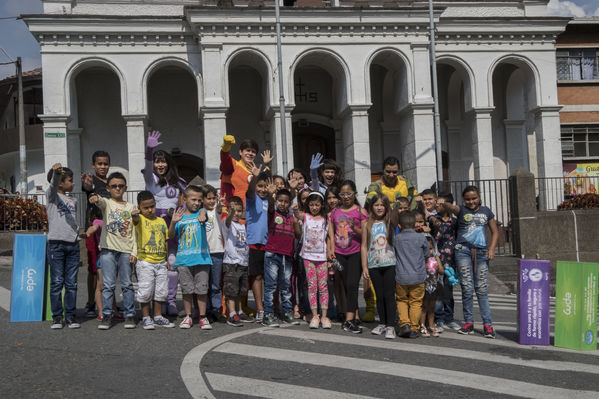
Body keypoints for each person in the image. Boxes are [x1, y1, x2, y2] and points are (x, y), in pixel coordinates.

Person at [442, 185, 499, 338]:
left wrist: (492, 249)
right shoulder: (461, 210)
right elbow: (451, 207)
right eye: (468, 199)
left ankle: (488, 325)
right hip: (463, 251)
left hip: (482, 253)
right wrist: (444, 203)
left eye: (474, 198)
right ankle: (469, 323)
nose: (471, 201)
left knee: (481, 288)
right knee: (466, 287)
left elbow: (495, 231)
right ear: (463, 200)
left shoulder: (486, 211)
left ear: (479, 197)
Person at [144, 131, 187, 316]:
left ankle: (170, 301)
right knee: (156, 264)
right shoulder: (151, 181)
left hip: (174, 226)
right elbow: (146, 167)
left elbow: (190, 199)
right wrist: (148, 150)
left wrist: (180, 211)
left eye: (163, 161)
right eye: (156, 161)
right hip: (154, 227)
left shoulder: (179, 182)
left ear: (168, 164)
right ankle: (157, 302)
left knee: (173, 264)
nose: (160, 165)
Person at [89, 172, 137, 330]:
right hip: (108, 250)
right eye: (114, 186)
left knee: (127, 284)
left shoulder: (131, 207)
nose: (117, 188)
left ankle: (129, 315)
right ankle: (107, 315)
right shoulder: (107, 203)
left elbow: (134, 233)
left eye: (121, 186)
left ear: (125, 188)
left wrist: (134, 252)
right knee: (108, 285)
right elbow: (99, 201)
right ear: (108, 188)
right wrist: (95, 197)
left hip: (125, 251)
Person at [168, 185, 213, 330]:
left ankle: (202, 316)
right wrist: (173, 222)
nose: (196, 203)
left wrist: (201, 213)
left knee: (201, 289)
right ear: (184, 199)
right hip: (183, 260)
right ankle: (188, 316)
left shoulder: (202, 211)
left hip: (202, 259)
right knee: (187, 290)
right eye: (193, 199)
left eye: (199, 200)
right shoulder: (179, 217)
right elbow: (170, 235)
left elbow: (204, 214)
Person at [328, 180, 368, 334]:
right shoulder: (334, 212)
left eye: (349, 194)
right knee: (345, 286)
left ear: (355, 194)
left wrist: (354, 228)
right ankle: (352, 315)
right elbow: (331, 235)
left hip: (355, 253)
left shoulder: (361, 212)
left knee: (352, 285)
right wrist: (331, 252)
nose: (346, 197)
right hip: (339, 254)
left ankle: (349, 320)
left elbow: (365, 236)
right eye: (342, 194)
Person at [132, 191, 175, 330]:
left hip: (161, 261)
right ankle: (146, 317)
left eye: (152, 206)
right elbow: (135, 220)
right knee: (145, 290)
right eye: (146, 207)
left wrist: (167, 259)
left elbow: (166, 240)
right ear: (139, 207)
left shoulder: (161, 221)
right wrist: (134, 215)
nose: (150, 210)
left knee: (161, 291)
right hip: (145, 261)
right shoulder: (140, 219)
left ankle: (157, 316)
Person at [47, 163, 82, 329]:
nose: (73, 183)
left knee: (71, 283)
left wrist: (78, 233)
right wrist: (56, 173)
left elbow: (73, 221)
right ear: (61, 182)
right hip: (56, 245)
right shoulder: (52, 196)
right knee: (56, 282)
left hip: (73, 245)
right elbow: (53, 185)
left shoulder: (72, 200)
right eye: (70, 180)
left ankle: (70, 316)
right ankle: (57, 317)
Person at [361, 193, 398, 339]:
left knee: (389, 295)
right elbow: (364, 246)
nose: (379, 208)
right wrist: (364, 266)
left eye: (382, 205)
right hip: (373, 264)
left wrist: (392, 207)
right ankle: (382, 322)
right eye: (376, 205)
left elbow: (395, 216)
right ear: (371, 207)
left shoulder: (389, 221)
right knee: (380, 296)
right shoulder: (366, 224)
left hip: (390, 263)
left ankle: (390, 325)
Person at [294, 191, 331, 329]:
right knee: (312, 286)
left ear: (322, 205)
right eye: (311, 205)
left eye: (317, 204)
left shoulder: (326, 219)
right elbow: (297, 214)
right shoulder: (306, 217)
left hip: (322, 258)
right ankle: (315, 316)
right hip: (308, 257)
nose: (314, 207)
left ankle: (324, 316)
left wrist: (330, 257)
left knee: (323, 287)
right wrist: (296, 209)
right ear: (307, 205)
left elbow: (330, 239)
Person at [262, 188, 299, 327]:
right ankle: (268, 314)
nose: (283, 204)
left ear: (290, 203)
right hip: (272, 254)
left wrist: (296, 223)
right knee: (271, 285)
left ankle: (287, 312)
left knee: (286, 286)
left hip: (287, 255)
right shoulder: (272, 213)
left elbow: (299, 235)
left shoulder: (291, 218)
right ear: (277, 201)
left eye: (286, 202)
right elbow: (270, 205)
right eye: (280, 201)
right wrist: (271, 196)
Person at [81, 150, 111, 317]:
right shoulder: (91, 182)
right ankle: (91, 303)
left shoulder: (112, 182)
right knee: (93, 267)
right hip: (93, 230)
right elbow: (87, 188)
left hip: (110, 230)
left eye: (105, 163)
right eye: (99, 163)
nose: (102, 166)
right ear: (93, 165)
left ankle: (109, 304)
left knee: (109, 268)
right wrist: (87, 185)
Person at [245, 170, 275, 323]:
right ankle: (260, 309)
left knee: (269, 278)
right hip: (254, 243)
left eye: (266, 187)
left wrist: (271, 194)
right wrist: (255, 177)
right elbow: (250, 191)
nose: (263, 189)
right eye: (260, 186)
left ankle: (270, 307)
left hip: (269, 244)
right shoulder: (252, 198)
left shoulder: (269, 200)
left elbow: (271, 210)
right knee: (257, 276)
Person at [394, 211, 429, 338]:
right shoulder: (421, 238)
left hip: (401, 276)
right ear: (415, 224)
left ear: (399, 226)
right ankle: (414, 328)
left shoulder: (396, 239)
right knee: (416, 302)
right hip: (418, 276)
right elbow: (426, 254)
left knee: (402, 300)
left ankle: (404, 324)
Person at [430, 192, 460, 331]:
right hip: (437, 262)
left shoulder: (454, 222)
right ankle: (439, 319)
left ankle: (449, 318)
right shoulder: (433, 219)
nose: (437, 205)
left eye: (441, 203)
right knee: (438, 291)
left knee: (448, 291)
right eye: (437, 203)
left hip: (451, 263)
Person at [221, 196, 251, 327]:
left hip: (243, 262)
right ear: (227, 210)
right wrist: (230, 214)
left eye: (239, 211)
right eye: (233, 211)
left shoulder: (242, 225)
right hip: (231, 262)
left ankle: (239, 311)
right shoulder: (227, 223)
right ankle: (232, 314)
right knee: (231, 291)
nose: (236, 213)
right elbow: (227, 221)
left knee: (240, 290)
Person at [219, 134, 273, 205]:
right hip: (231, 212)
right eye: (248, 150)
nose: (250, 153)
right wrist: (225, 148)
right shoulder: (233, 165)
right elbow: (225, 160)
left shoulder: (255, 172)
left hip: (250, 213)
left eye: (253, 152)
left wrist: (267, 165)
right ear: (240, 152)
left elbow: (269, 184)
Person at [203, 185, 227, 323]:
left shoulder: (216, 211)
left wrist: (220, 204)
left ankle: (217, 309)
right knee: (204, 284)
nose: (212, 201)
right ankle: (205, 310)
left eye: (214, 198)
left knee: (216, 284)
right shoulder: (200, 212)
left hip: (217, 251)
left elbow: (219, 209)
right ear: (203, 199)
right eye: (209, 198)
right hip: (204, 253)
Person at [419, 236, 444, 337]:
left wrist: (438, 268)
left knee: (432, 307)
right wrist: (424, 267)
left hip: (434, 285)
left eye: (430, 249)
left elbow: (442, 271)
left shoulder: (435, 257)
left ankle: (431, 325)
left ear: (434, 248)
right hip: (424, 284)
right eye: (426, 249)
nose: (429, 251)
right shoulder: (421, 259)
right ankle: (422, 325)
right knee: (424, 307)